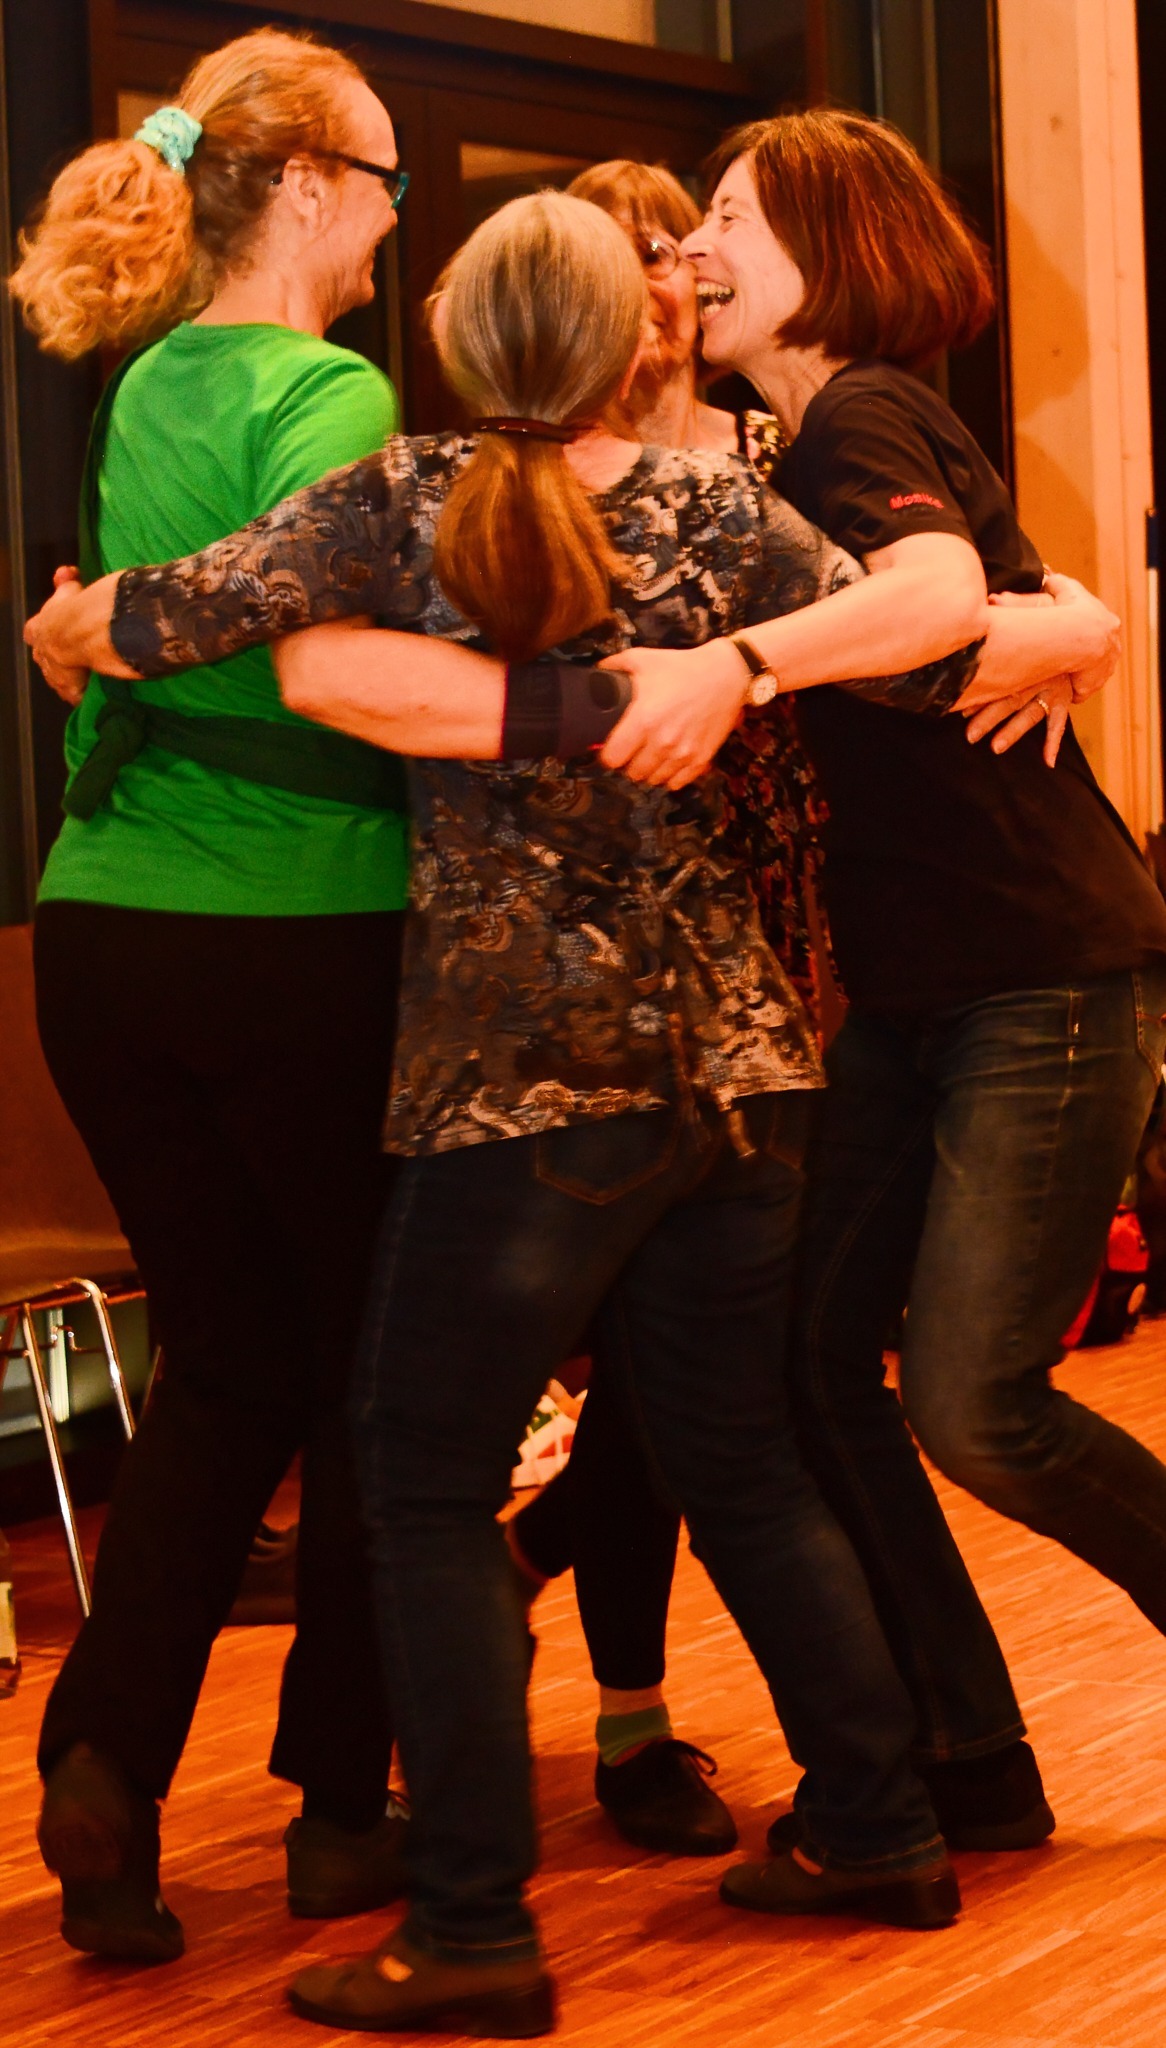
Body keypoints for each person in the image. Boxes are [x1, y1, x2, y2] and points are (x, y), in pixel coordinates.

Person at [24, 186, 1050, 2034]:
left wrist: (71, 624)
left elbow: (177, 617)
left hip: (527, 1081)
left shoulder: (402, 494)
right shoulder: (717, 509)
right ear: (633, 339)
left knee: (419, 1478)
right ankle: (877, 1826)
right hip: (738, 1065)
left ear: (452, 336)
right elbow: (929, 622)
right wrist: (746, 666)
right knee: (741, 1463)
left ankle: (474, 1930)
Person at [508, 153, 1121, 1864]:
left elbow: (928, 596)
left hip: (1015, 970)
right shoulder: (796, 445)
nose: (694, 255)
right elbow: (953, 604)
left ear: (822, 255)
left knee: (970, 1401)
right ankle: (964, 1756)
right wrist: (1054, 618)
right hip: (899, 991)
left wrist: (754, 664)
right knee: (798, 1365)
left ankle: (938, 1749)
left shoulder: (850, 416)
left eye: (724, 223)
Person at [9, 26, 418, 1965]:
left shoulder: (152, 374)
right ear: (314, 186)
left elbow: (158, 628)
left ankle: (106, 1761)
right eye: (388, 182)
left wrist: (104, 634)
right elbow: (315, 654)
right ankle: (341, 1812)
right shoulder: (332, 388)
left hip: (103, 932)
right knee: (364, 1380)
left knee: (231, 1366)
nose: (397, 222)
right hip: (294, 931)